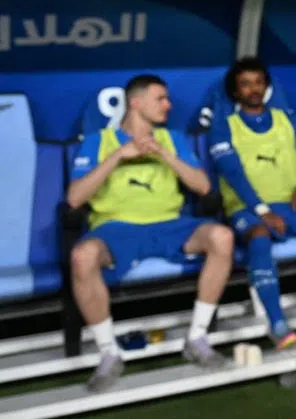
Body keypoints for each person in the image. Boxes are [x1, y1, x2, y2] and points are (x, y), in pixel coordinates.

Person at [67, 75, 232, 393]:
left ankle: (197, 337)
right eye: (161, 99)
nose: (169, 105)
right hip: (116, 229)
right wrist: (118, 157)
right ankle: (109, 353)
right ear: (136, 102)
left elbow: (203, 187)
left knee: (221, 237)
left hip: (170, 225)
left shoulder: (173, 139)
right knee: (81, 255)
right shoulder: (98, 141)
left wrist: (164, 155)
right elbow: (74, 198)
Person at [208, 59, 296, 349]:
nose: (253, 89)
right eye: (245, 84)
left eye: (258, 82)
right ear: (235, 92)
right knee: (259, 238)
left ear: (266, 86)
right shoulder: (224, 128)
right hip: (248, 209)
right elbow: (233, 175)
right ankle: (277, 323)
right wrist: (263, 211)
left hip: (291, 204)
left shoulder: (288, 120)